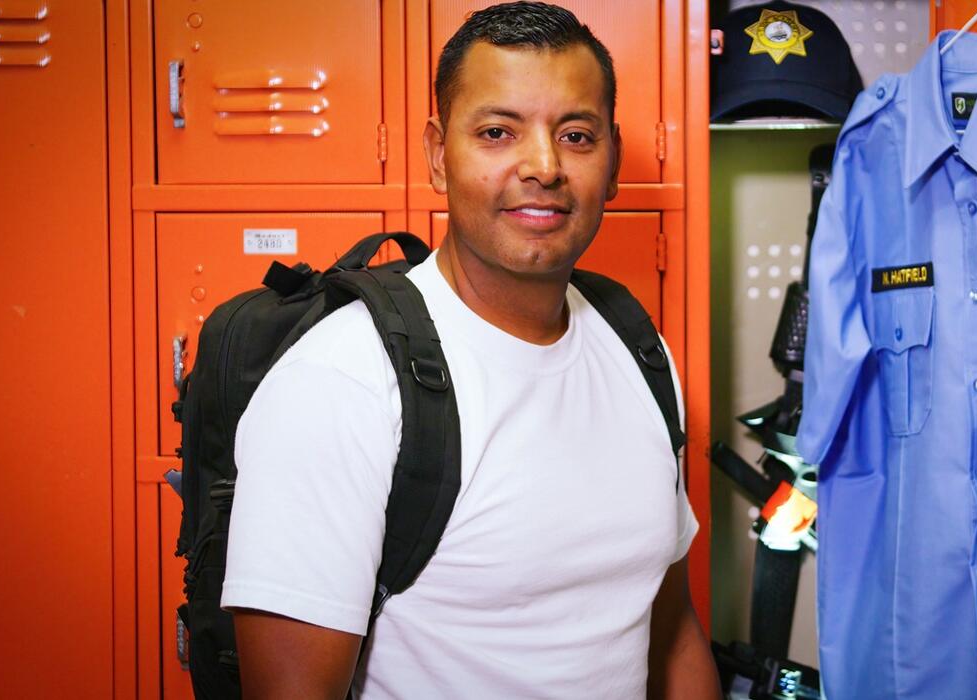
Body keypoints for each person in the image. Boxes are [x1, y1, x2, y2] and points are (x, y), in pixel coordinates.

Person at [219, 3, 718, 697]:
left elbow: (667, 628)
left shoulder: (638, 350)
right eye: (496, 132)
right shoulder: (342, 382)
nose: (543, 166)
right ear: (436, 154)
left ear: (613, 160)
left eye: (576, 135)